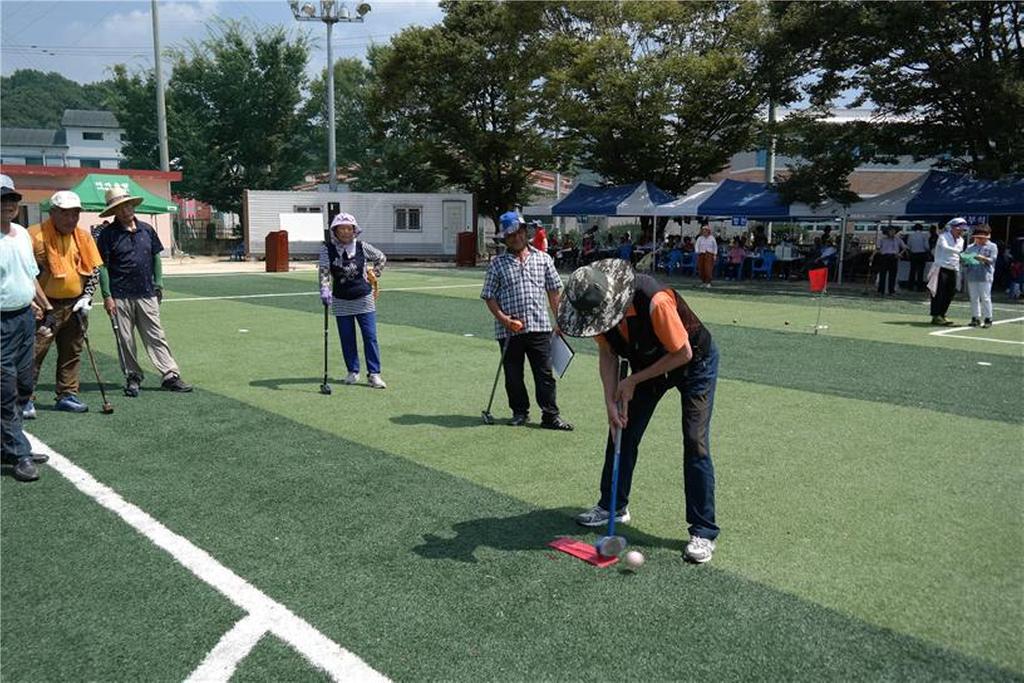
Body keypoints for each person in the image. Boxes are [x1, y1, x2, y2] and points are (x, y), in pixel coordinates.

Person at [558, 259, 719, 563]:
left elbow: (682, 353)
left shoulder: (654, 301)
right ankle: (613, 506)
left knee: (695, 440)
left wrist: (632, 380)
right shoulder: (593, 310)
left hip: (694, 362)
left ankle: (703, 530)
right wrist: (610, 401)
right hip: (648, 367)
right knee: (621, 428)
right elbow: (607, 354)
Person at [480, 211, 572, 430]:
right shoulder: (497, 264)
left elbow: (553, 292)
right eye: (511, 235)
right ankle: (520, 412)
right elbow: (489, 296)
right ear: (505, 238)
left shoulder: (543, 259)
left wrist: (559, 321)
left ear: (525, 232)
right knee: (513, 375)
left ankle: (550, 415)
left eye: (519, 233)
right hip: (509, 330)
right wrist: (504, 319)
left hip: (539, 327)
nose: (516, 238)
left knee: (545, 374)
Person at [95, 187, 192, 396]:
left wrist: (159, 283)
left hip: (147, 292)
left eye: (127, 205)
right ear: (114, 212)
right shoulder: (107, 235)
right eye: (119, 208)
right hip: (119, 294)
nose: (125, 210)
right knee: (125, 339)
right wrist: (106, 295)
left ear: (133, 206)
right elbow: (102, 266)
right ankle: (133, 376)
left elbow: (156, 257)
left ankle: (170, 375)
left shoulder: (147, 230)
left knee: (156, 335)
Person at [29, 190, 103, 413]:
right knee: (33, 352)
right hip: (43, 307)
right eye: (65, 214)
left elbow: (94, 270)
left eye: (75, 214)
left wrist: (87, 297)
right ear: (52, 213)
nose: (71, 219)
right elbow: (25, 272)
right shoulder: (33, 235)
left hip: (75, 304)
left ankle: (67, 394)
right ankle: (24, 397)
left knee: (72, 351)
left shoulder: (83, 237)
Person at [0, 176, 51, 481]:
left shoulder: (20, 234)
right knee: (4, 389)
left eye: (12, 200)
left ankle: (10, 443)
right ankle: (19, 452)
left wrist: (44, 307)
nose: (8, 205)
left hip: (23, 319)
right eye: (2, 200)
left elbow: (30, 277)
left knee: (24, 385)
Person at [319, 212, 387, 388]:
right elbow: (325, 271)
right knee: (347, 338)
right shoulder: (327, 248)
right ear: (335, 231)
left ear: (354, 230)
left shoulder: (362, 246)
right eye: (342, 229)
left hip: (364, 298)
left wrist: (375, 272)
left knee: (370, 337)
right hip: (341, 300)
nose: (346, 232)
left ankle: (374, 374)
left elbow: (381, 257)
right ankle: (352, 371)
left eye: (349, 228)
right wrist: (325, 288)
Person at [928, 217, 968, 325]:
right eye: (959, 229)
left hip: (953, 268)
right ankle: (935, 315)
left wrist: (965, 256)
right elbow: (945, 247)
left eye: (963, 230)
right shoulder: (943, 237)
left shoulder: (961, 240)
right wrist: (960, 252)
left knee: (950, 292)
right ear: (953, 228)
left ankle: (942, 314)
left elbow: (959, 254)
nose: (961, 231)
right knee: (938, 293)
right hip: (941, 268)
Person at [963, 225, 998, 328]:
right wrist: (965, 259)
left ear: (987, 237)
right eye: (977, 237)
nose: (979, 239)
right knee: (974, 297)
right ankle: (975, 317)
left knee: (985, 297)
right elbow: (965, 259)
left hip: (985, 275)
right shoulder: (970, 247)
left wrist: (982, 258)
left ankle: (988, 318)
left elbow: (992, 260)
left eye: (982, 237)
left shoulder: (992, 246)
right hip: (972, 275)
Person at [875, 226, 906, 296]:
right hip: (884, 257)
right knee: (882, 275)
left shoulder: (898, 239)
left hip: (894, 257)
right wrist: (872, 255)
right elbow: (878, 248)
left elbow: (904, 248)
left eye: (894, 231)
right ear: (887, 232)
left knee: (893, 275)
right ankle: (881, 291)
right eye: (891, 231)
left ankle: (891, 291)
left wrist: (899, 254)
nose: (892, 232)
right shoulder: (882, 239)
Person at [905, 223, 931, 292]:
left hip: (913, 254)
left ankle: (910, 287)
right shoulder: (924, 235)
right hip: (922, 254)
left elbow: (908, 246)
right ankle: (919, 287)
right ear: (921, 229)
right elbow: (927, 246)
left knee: (912, 271)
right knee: (920, 272)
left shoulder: (911, 236)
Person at [694, 223, 717, 288]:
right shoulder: (700, 238)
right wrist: (697, 252)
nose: (704, 232)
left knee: (708, 269)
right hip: (701, 254)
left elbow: (715, 247)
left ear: (708, 231)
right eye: (703, 231)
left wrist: (715, 255)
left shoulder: (712, 238)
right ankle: (703, 282)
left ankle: (708, 282)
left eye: (706, 231)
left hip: (709, 254)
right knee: (701, 269)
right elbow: (696, 245)